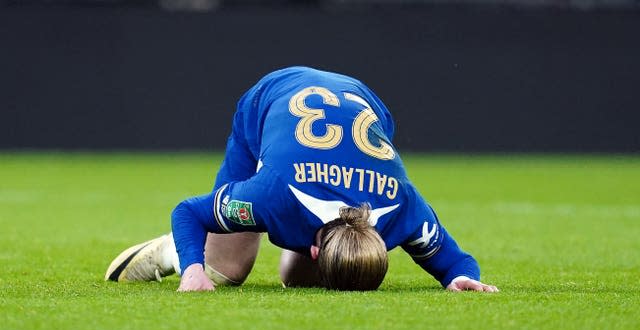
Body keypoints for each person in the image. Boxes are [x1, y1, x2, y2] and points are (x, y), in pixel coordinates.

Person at [105, 66, 498, 293]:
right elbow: (189, 211)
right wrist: (192, 267)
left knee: (301, 280)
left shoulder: (404, 208)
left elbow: (456, 263)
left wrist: (462, 277)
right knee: (228, 269)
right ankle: (171, 251)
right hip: (271, 99)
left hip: (364, 100)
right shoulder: (272, 196)